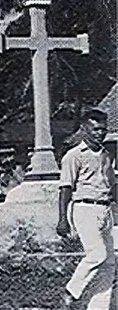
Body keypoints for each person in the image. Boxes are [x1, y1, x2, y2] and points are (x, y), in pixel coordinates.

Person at [57, 109, 115, 309]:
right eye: (95, 129)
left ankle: (98, 307)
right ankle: (71, 290)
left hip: (105, 210)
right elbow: (65, 188)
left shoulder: (106, 155)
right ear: (84, 129)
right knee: (97, 254)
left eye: (103, 129)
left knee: (108, 263)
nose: (100, 133)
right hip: (84, 208)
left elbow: (111, 185)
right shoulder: (73, 156)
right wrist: (62, 219)